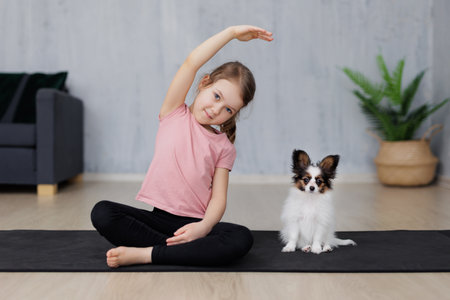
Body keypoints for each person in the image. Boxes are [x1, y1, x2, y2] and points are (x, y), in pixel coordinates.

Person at [90, 25, 273, 267]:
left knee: (240, 237)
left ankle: (147, 254)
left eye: (228, 109)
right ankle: (182, 252)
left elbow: (218, 199)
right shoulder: (174, 113)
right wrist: (231, 33)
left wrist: (203, 228)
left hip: (193, 225)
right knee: (102, 212)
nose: (217, 110)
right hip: (157, 221)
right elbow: (191, 63)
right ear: (204, 83)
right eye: (217, 96)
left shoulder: (224, 148)